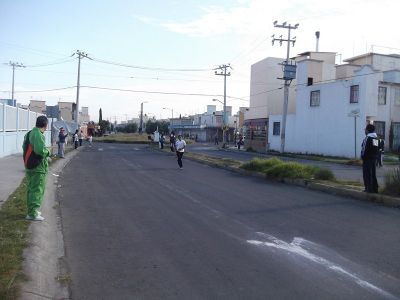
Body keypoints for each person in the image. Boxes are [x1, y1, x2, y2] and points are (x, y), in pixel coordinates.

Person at [22, 116, 51, 221]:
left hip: (30, 166)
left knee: (31, 189)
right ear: (46, 125)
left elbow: (25, 147)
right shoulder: (38, 134)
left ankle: (32, 210)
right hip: (38, 167)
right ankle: (32, 214)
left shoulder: (30, 133)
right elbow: (40, 151)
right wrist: (48, 152)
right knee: (37, 189)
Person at [361, 124, 379, 193]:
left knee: (367, 174)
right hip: (373, 158)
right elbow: (375, 149)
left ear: (368, 130)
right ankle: (374, 188)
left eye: (365, 129)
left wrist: (363, 157)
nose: (365, 131)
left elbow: (364, 149)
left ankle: (368, 188)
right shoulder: (375, 138)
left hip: (367, 159)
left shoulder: (367, 138)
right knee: (373, 174)